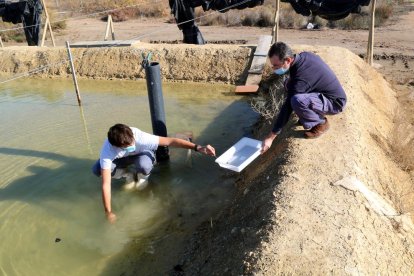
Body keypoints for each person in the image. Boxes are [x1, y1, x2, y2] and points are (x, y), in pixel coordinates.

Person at [92, 123, 216, 223]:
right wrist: (108, 212)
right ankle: (127, 175)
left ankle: (142, 178)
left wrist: (198, 148)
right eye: (127, 146)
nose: (131, 145)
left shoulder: (140, 137)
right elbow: (106, 184)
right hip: (121, 159)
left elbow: (171, 141)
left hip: (141, 155)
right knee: (97, 170)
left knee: (144, 164)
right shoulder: (107, 150)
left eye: (132, 143)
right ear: (116, 146)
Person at [261, 42, 347, 153]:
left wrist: (270, 137)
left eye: (276, 66)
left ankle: (320, 123)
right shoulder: (304, 56)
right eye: (272, 65)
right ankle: (308, 115)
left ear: (288, 60)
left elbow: (287, 108)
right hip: (324, 93)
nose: (274, 69)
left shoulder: (302, 80)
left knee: (296, 100)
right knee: (288, 84)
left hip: (335, 102)